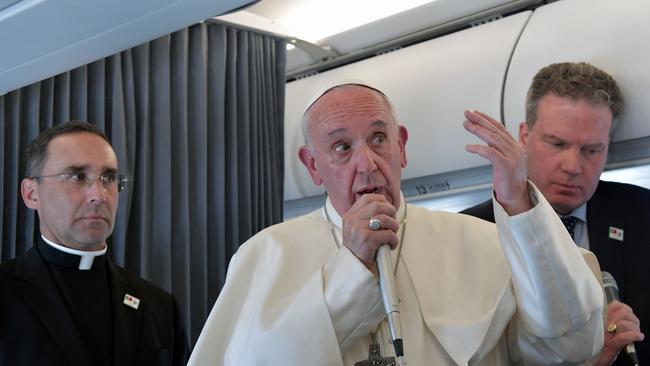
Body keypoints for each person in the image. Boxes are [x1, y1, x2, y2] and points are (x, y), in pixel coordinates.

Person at [188, 83, 604, 365]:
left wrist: (518, 204)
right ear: (313, 166)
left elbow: (567, 346)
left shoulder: (480, 242)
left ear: (401, 146)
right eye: (341, 147)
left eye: (378, 139)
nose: (367, 164)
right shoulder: (267, 254)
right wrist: (349, 270)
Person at [461, 62, 648, 365]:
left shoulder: (642, 215)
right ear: (524, 136)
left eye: (592, 150)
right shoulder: (472, 229)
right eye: (558, 144)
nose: (573, 166)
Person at [0, 121, 189, 365]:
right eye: (77, 176)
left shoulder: (160, 307)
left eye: (108, 178)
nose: (98, 195)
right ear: (31, 194)